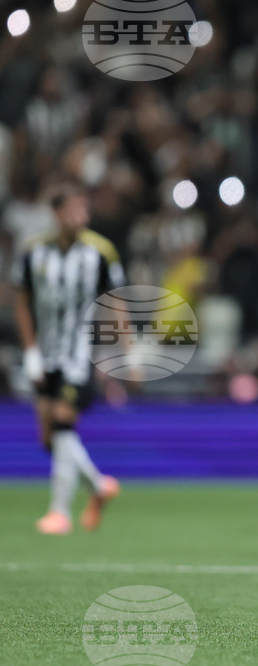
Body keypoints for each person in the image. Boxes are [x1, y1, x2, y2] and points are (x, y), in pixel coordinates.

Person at [12, 183, 124, 535]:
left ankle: (59, 513)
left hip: (80, 355)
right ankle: (98, 484)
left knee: (63, 423)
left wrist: (124, 355)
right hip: (46, 354)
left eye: (84, 210)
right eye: (73, 210)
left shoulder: (100, 252)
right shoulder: (34, 253)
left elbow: (116, 302)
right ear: (57, 213)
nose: (81, 217)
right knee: (49, 437)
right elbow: (21, 301)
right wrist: (30, 351)